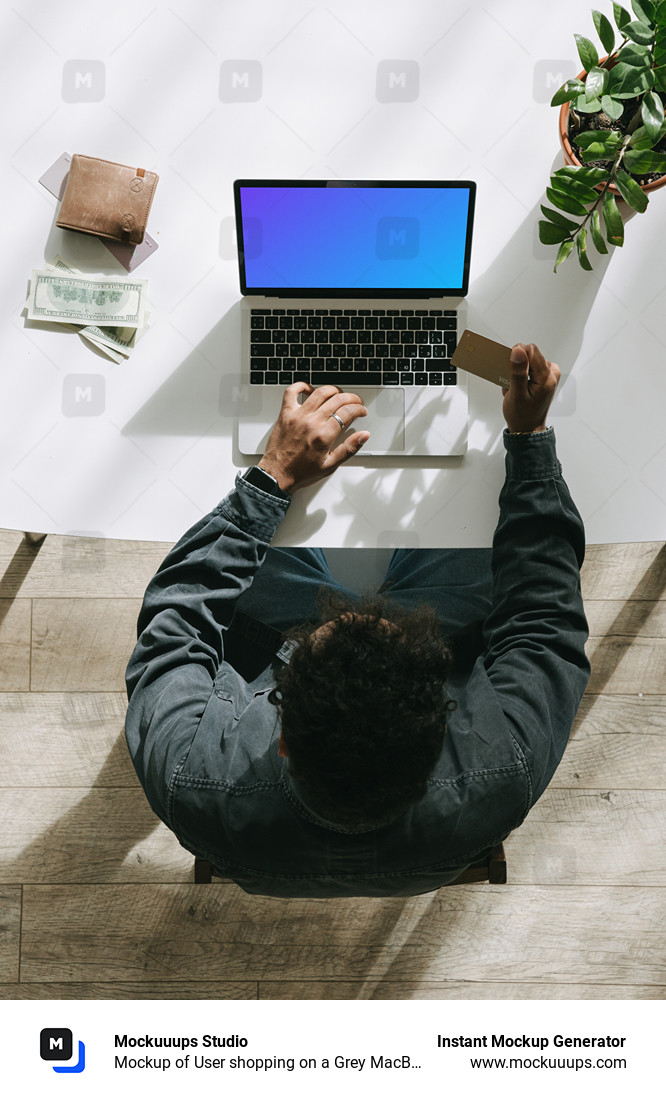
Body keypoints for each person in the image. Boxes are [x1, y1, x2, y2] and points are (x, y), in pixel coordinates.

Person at [125, 342, 590, 897]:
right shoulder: (504, 766)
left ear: (282, 741)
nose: (356, 607)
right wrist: (529, 439)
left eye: (331, 630)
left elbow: (175, 616)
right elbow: (544, 616)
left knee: (233, 535)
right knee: (474, 522)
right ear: (443, 724)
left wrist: (269, 479)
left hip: (296, 668)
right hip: (424, 684)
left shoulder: (188, 773)